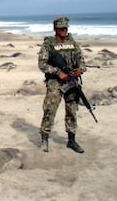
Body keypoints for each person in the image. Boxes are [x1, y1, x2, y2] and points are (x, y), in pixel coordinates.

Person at [37, 17, 86, 153]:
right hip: (55, 82)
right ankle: (44, 138)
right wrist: (58, 72)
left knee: (72, 110)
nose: (64, 31)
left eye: (66, 28)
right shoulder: (49, 44)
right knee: (50, 110)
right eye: (61, 28)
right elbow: (42, 64)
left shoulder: (73, 43)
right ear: (55, 29)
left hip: (71, 81)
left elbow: (82, 61)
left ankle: (71, 140)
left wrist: (80, 69)